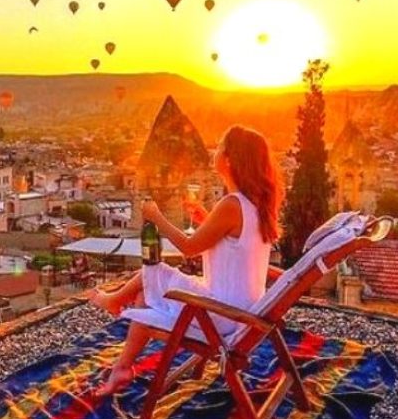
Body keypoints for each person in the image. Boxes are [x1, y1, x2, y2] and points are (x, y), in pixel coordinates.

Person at [89, 125, 282, 395]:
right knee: (147, 294)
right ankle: (123, 367)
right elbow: (236, 246)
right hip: (243, 311)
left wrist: (156, 217)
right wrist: (206, 219)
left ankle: (113, 301)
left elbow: (189, 248)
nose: (215, 152)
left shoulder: (231, 205)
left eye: (220, 148)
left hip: (222, 315)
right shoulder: (255, 205)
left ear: (229, 160)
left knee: (155, 271)